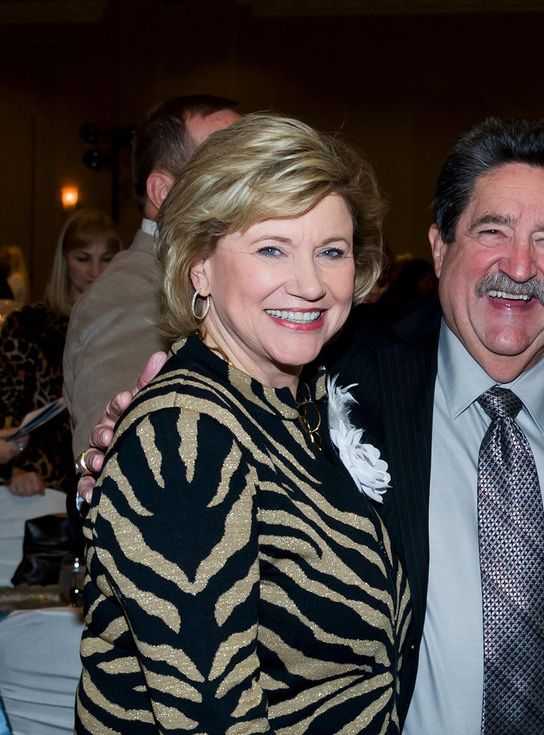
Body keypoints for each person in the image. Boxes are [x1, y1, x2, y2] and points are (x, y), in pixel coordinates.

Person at [78, 118, 544, 733]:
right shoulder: (347, 385)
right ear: (441, 243)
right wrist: (113, 459)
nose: (519, 265)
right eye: (491, 230)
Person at [75, 113, 408, 734]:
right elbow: (207, 718)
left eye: (330, 251)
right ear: (199, 264)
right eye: (271, 248)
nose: (309, 283)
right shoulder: (185, 434)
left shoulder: (289, 409)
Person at [63, 94, 239, 458]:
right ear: (163, 191)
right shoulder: (134, 291)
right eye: (227, 170)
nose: (252, 184)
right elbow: (119, 463)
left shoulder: (211, 274)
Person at [0, 209, 120, 498]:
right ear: (64, 261)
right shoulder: (28, 326)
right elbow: (5, 415)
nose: (96, 272)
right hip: (39, 490)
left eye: (106, 259)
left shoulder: (122, 329)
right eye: (83, 258)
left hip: (106, 486)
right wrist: (11, 472)